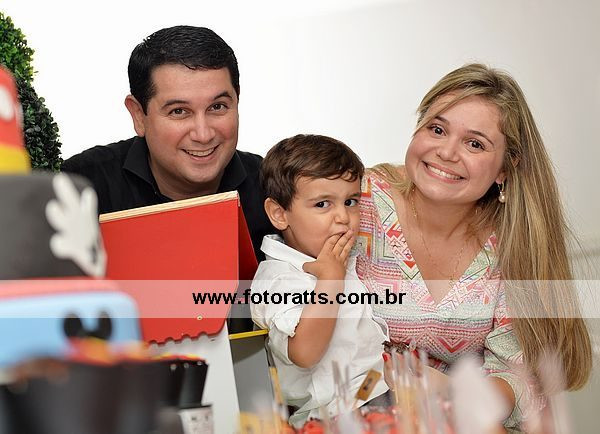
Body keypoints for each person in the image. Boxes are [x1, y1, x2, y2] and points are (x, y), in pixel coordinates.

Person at [356, 63, 592, 430]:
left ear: (505, 168)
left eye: (475, 143)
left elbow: (524, 376)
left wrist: (451, 395)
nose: (447, 152)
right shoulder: (356, 202)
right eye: (437, 129)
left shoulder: (514, 238)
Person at [61, 25, 273, 259]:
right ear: (138, 115)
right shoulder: (78, 187)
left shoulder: (275, 186)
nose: (203, 134)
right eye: (179, 111)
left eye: (217, 107)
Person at [251, 134, 389, 427]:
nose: (343, 217)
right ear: (279, 213)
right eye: (323, 204)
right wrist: (330, 280)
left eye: (350, 201)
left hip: (374, 390)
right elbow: (304, 352)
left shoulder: (337, 255)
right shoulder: (278, 278)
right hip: (332, 416)